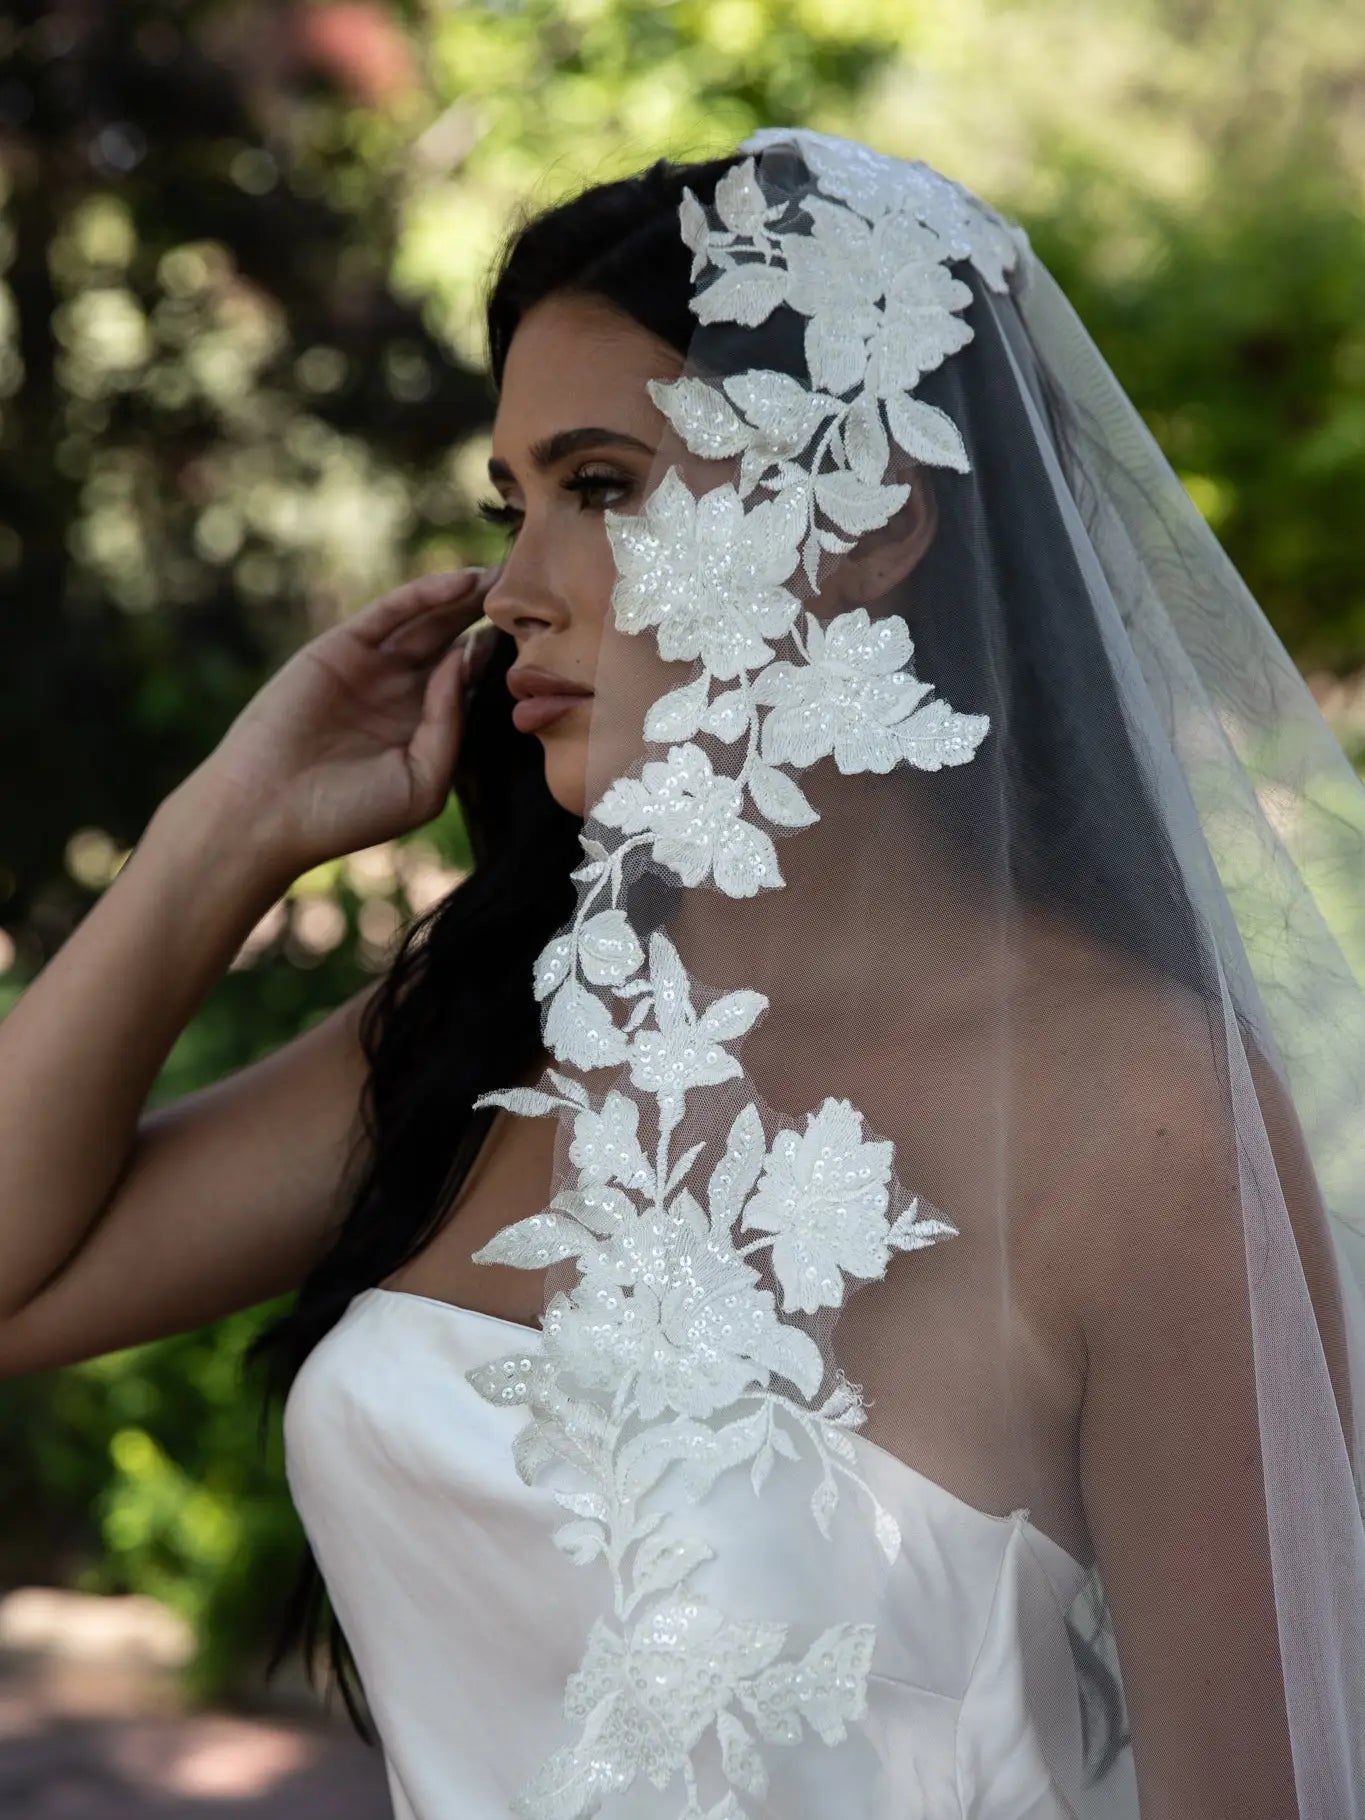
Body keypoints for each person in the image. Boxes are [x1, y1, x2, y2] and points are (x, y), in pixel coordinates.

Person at [3, 126, 1363, 1819]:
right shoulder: (496, 1030)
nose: (513, 594)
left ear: (866, 525)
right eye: (509, 507)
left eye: (601, 488)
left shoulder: (1146, 1124)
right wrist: (225, 830)